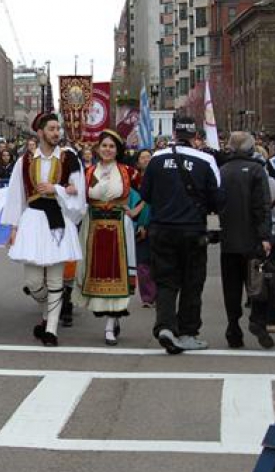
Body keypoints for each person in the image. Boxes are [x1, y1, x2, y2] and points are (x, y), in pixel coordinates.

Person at [2, 112, 86, 347]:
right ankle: (48, 312)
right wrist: (13, 226)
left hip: (58, 219)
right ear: (40, 133)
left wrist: (56, 189)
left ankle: (51, 329)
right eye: (51, 129)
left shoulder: (69, 158)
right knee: (33, 282)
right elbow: (16, 194)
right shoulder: (25, 160)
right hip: (32, 220)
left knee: (56, 278)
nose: (56, 133)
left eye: (58, 128)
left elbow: (79, 191)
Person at [140, 117, 223, 354]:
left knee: (165, 281)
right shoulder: (206, 159)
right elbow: (218, 198)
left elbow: (145, 194)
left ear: (174, 133)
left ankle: (165, 325)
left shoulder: (157, 158)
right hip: (192, 229)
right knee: (192, 282)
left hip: (162, 227)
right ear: (195, 135)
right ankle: (187, 331)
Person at [74, 131, 136, 346]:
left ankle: (110, 325)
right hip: (94, 227)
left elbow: (149, 191)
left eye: (111, 146)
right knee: (98, 271)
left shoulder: (128, 171)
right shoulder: (89, 172)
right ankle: (110, 316)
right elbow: (78, 197)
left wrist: (137, 212)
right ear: (98, 149)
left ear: (117, 150)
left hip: (120, 227)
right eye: (104, 146)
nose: (107, 149)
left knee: (117, 272)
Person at [218, 132, 274, 349]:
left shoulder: (222, 171)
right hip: (252, 240)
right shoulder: (257, 171)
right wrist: (265, 236)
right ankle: (257, 320)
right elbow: (262, 206)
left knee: (231, 287)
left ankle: (233, 327)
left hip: (229, 239)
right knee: (258, 282)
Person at [131, 149, 156, 308]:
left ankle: (160, 292)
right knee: (143, 262)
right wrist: (140, 223)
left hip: (158, 222)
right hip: (139, 222)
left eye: (149, 157)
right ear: (138, 161)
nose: (146, 160)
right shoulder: (133, 180)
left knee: (158, 260)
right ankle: (147, 296)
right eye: (143, 157)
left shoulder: (160, 176)